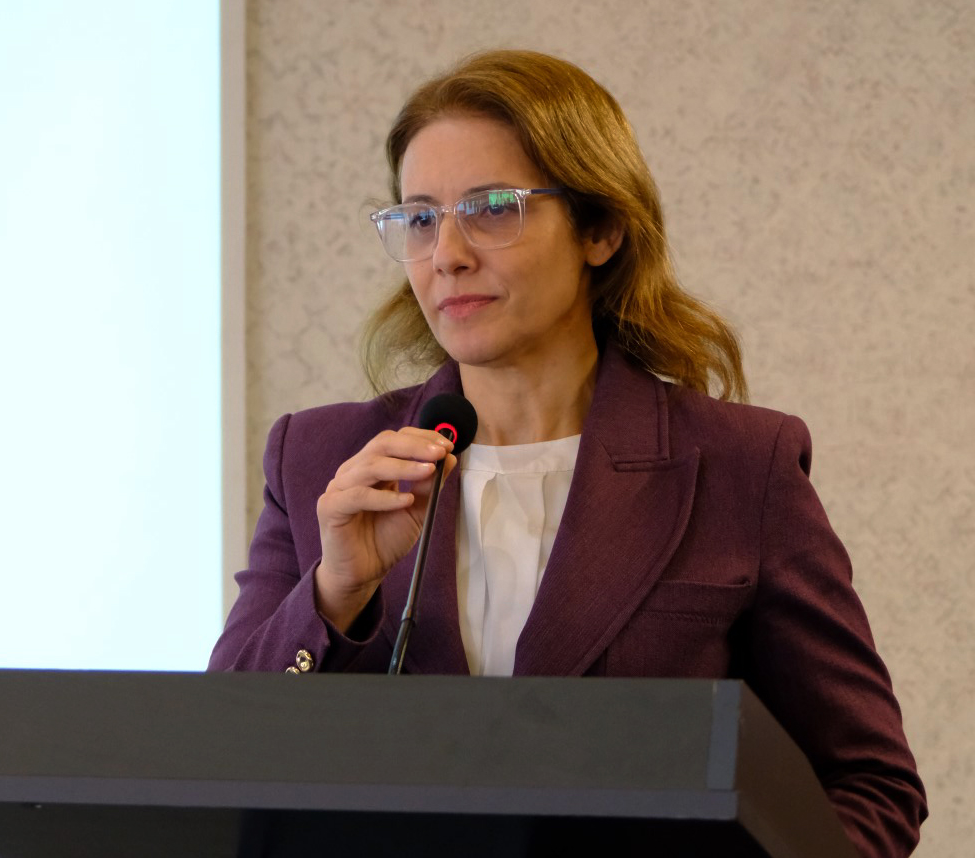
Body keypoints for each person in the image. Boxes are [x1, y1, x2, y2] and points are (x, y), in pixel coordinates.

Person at [208, 50, 926, 856]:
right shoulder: (318, 457)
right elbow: (211, 759)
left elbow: (869, 785)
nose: (447, 254)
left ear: (601, 229)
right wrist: (334, 592)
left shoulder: (740, 465)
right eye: (420, 219)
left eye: (492, 208)